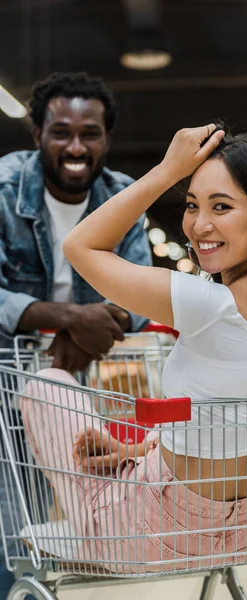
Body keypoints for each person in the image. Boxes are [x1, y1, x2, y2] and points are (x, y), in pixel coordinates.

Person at [21, 124, 247, 570]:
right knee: (147, 439)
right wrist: (137, 450)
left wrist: (165, 172)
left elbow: (81, 245)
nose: (199, 225)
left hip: (154, 532)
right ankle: (128, 473)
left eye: (222, 206)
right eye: (192, 204)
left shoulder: (210, 304)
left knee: (47, 383)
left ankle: (94, 528)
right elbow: (227, 415)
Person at [0, 72, 151, 596]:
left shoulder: (123, 196)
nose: (75, 146)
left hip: (72, 383)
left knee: (57, 511)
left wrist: (89, 333)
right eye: (60, 132)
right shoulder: (3, 189)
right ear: (37, 132)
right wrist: (71, 319)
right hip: (7, 370)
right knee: (14, 513)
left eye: (90, 133)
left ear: (107, 137)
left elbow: (140, 295)